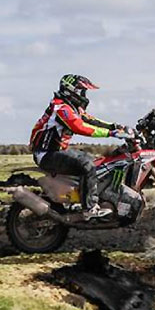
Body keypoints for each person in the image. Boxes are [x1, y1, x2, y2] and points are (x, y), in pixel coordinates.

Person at [29, 74, 131, 219]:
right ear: (71, 91)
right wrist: (110, 133)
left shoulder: (72, 108)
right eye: (81, 91)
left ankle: (85, 197)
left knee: (96, 161)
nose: (84, 95)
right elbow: (80, 127)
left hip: (56, 151)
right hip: (46, 154)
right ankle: (89, 208)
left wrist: (114, 126)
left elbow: (90, 120)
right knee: (87, 164)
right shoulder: (61, 108)